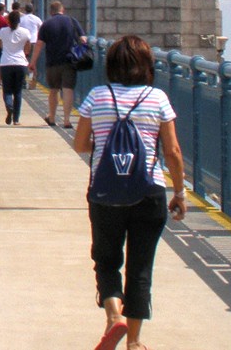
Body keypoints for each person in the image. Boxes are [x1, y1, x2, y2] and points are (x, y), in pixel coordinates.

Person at [73, 35, 186, 350]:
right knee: (140, 267)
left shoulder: (97, 96)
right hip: (148, 192)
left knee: (106, 259)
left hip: (105, 192)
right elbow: (173, 151)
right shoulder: (157, 98)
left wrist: (105, 147)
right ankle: (134, 342)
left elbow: (80, 144)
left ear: (111, 66)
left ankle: (113, 316)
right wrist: (179, 192)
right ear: (147, 66)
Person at [29, 0, 86, 127]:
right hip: (69, 61)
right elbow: (83, 39)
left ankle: (52, 117)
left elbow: (39, 44)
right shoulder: (72, 21)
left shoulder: (47, 24)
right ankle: (66, 120)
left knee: (53, 90)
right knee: (68, 89)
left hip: (52, 62)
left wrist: (33, 62)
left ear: (50, 12)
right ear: (63, 9)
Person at [0, 9, 31, 124]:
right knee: (18, 91)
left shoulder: (2, 31)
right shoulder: (25, 32)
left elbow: (0, 45)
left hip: (6, 62)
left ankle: (9, 106)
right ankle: (16, 119)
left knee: (7, 90)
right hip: (20, 63)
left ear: (9, 21)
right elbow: (28, 47)